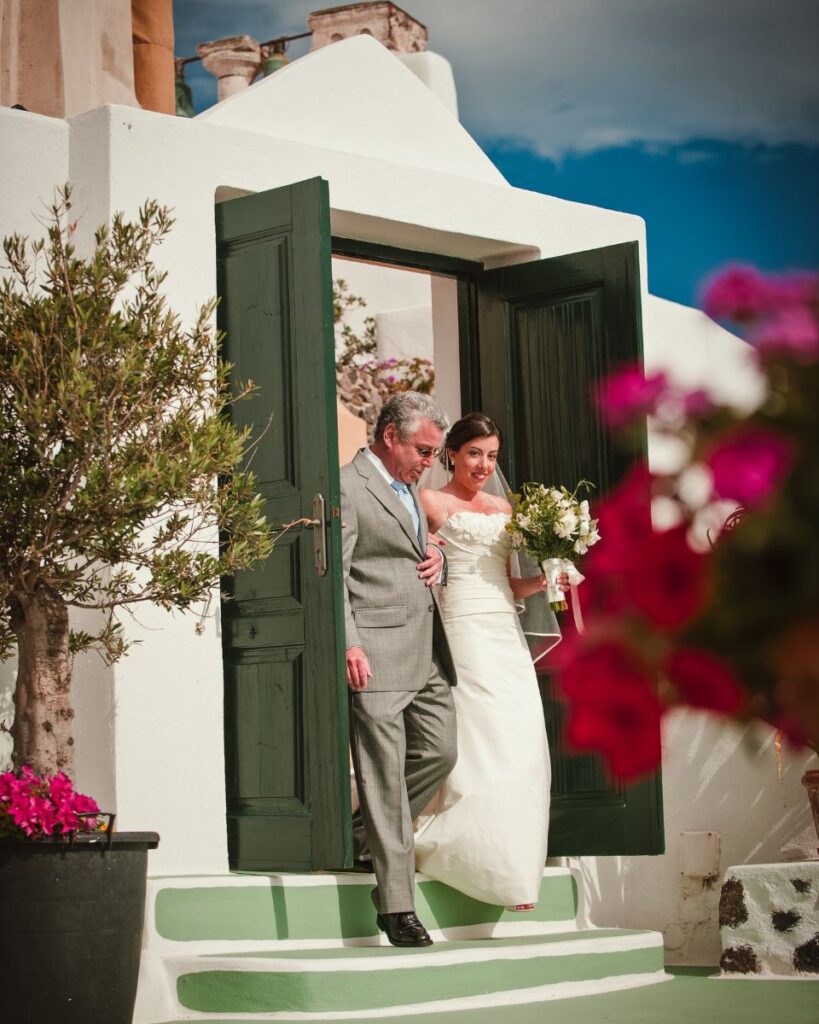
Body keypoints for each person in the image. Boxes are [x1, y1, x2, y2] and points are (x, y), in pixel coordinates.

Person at [413, 411, 560, 910]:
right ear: (452, 452)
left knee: (521, 739)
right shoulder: (430, 501)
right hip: (464, 628)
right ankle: (461, 852)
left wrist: (547, 577)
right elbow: (416, 558)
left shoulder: (503, 506)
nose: (483, 464)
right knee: (483, 739)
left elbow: (510, 580)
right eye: (475, 453)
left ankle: (512, 868)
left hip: (504, 629)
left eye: (492, 456)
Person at [341, 391, 458, 948]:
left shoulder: (411, 487)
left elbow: (410, 547)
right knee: (383, 774)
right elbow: (335, 573)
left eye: (434, 453)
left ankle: (364, 834)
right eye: (423, 449)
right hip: (376, 652)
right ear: (390, 436)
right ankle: (395, 906)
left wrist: (437, 556)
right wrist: (349, 644)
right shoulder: (346, 486)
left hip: (427, 646)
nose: (429, 461)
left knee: (440, 751)